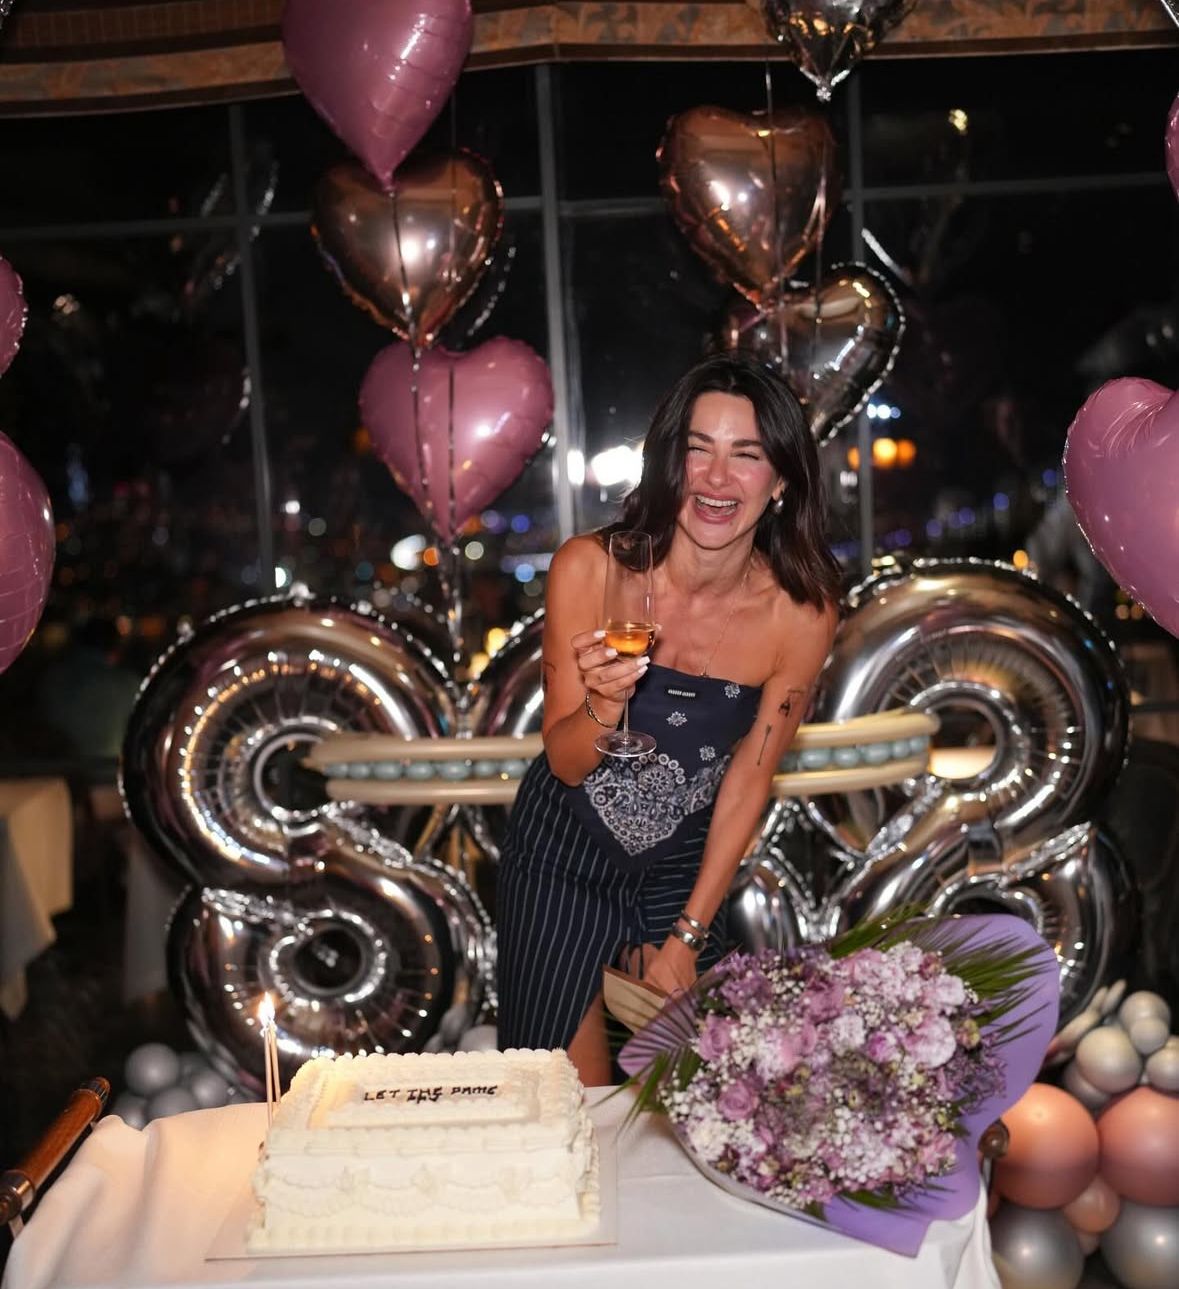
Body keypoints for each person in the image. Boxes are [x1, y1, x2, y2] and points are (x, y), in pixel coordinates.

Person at [495, 352, 841, 1085]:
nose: (716, 479)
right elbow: (566, 762)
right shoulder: (589, 569)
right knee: (563, 1102)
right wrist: (604, 702)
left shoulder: (800, 613)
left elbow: (748, 781)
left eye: (746, 455)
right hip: (559, 858)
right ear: (667, 464)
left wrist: (687, 933)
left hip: (680, 872)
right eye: (697, 449)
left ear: (780, 480)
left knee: (702, 1105)